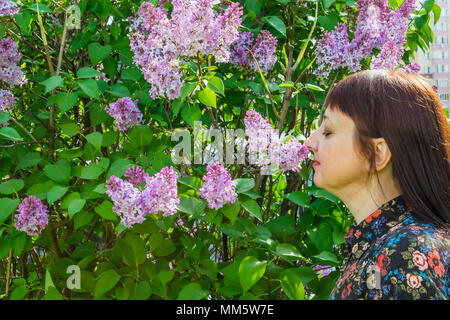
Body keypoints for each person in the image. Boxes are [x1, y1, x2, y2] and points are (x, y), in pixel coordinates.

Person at [304, 69, 450, 300]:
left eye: (328, 131)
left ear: (377, 153)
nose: (309, 142)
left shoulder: (402, 257)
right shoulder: (388, 246)